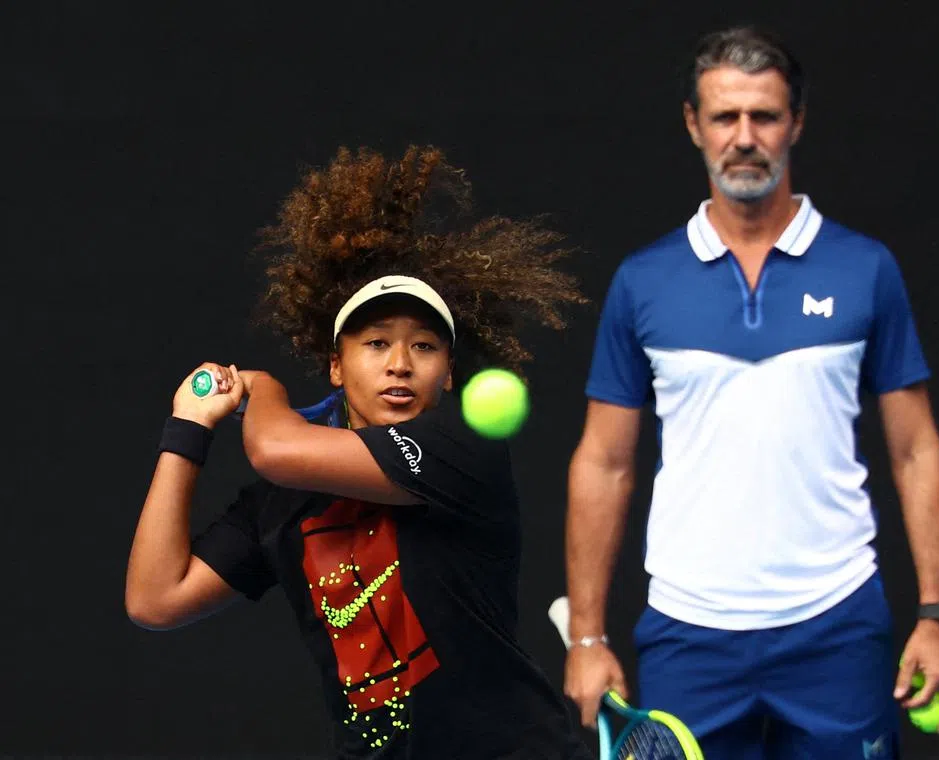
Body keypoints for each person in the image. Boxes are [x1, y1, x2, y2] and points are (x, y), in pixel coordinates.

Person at [562, 25, 939, 760]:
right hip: (689, 634)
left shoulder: (865, 269)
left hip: (838, 627)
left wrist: (936, 614)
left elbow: (915, 449)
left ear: (796, 123)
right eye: (724, 117)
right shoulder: (643, 281)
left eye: (764, 116)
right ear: (694, 125)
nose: (744, 137)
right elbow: (604, 463)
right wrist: (587, 637)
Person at [126, 145, 593, 759]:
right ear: (336, 366)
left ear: (448, 374)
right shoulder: (283, 500)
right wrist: (186, 431)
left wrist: (262, 389)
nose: (400, 364)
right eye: (376, 344)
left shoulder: (461, 448)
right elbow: (155, 599)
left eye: (424, 347)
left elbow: (271, 446)